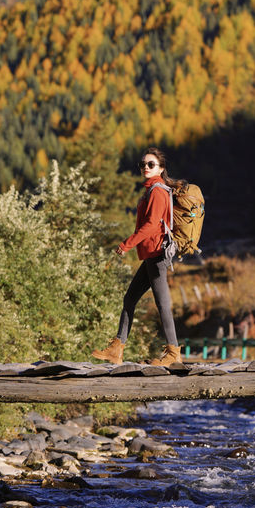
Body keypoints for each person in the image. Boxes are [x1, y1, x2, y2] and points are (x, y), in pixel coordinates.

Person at [92, 146, 182, 367]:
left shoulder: (158, 191)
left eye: (151, 164)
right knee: (130, 299)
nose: (146, 168)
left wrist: (127, 244)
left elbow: (151, 225)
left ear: (160, 168)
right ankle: (116, 349)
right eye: (143, 164)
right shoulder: (151, 190)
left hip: (157, 254)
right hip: (150, 255)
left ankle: (174, 353)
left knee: (162, 303)